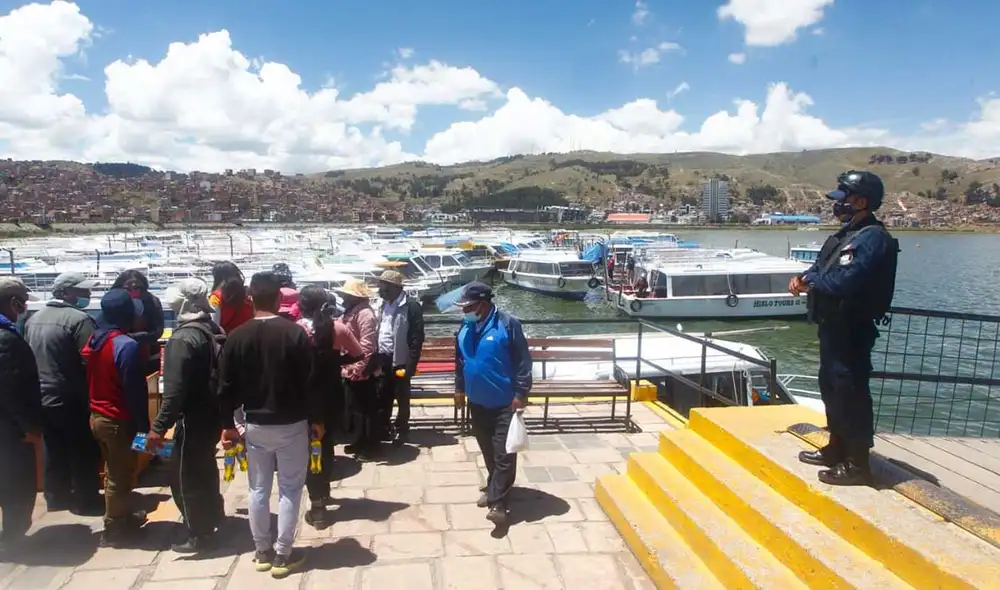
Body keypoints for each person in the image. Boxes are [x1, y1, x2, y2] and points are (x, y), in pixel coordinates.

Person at [789, 170, 899, 486]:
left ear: (861, 201)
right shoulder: (844, 235)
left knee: (851, 393)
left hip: (853, 328)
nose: (837, 205)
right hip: (833, 325)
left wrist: (810, 283)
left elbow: (845, 281)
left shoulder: (872, 238)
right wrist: (805, 278)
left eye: (843, 198)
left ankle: (857, 463)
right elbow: (821, 267)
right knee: (831, 388)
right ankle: (836, 447)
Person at [218, 272, 323, 579]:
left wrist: (226, 425)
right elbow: (311, 382)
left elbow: (224, 387)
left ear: (250, 300)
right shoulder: (295, 334)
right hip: (292, 423)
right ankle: (283, 554)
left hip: (255, 425)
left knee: (258, 489)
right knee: (290, 489)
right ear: (279, 299)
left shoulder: (236, 337)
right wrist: (317, 420)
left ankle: (262, 550)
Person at [147, 279, 225, 553]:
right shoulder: (212, 329)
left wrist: (158, 427)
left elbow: (175, 391)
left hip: (192, 416)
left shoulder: (182, 338)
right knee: (205, 468)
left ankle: (199, 532)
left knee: (185, 477)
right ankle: (214, 514)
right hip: (213, 413)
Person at [453, 282, 532, 527]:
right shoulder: (464, 327)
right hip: (477, 401)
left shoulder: (508, 325)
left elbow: (523, 362)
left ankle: (498, 503)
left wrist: (521, 392)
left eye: (468, 307)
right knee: (487, 449)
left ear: (483, 305)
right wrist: (458, 388)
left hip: (504, 403)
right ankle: (494, 484)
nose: (464, 311)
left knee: (504, 453)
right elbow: (460, 361)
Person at [23, 272, 103, 515]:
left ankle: (55, 498)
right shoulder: (79, 320)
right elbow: (91, 360)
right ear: (65, 293)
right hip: (71, 396)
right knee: (82, 450)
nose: (87, 295)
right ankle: (87, 501)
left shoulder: (33, 319)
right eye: (82, 292)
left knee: (53, 448)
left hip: (41, 395)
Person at [83, 289, 149, 547]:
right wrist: (143, 427)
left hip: (97, 415)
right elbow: (134, 391)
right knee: (121, 476)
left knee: (113, 471)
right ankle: (114, 530)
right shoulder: (126, 346)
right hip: (118, 419)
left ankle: (121, 517)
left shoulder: (94, 340)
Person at [296, 285, 363, 527]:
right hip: (331, 395)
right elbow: (358, 354)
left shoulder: (297, 330)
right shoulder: (339, 328)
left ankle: (317, 503)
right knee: (326, 445)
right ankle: (322, 493)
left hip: (303, 397)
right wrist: (335, 361)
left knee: (310, 449)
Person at [0, 278, 42, 553]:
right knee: (16, 486)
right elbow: (10, 388)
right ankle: (13, 542)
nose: (25, 308)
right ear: (14, 303)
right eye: (23, 303)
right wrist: (28, 427)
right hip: (9, 431)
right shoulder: (6, 339)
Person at [374, 270, 424, 446]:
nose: (380, 289)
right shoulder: (383, 305)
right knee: (383, 395)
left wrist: (411, 365)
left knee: (402, 397)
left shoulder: (411, 306)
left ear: (394, 287)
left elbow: (417, 338)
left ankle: (403, 428)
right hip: (383, 358)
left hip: (400, 360)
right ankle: (384, 428)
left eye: (383, 286)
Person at [336, 279, 378, 460]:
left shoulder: (365, 315)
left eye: (345, 295)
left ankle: (370, 445)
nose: (343, 298)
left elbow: (367, 345)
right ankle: (360, 440)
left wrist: (359, 368)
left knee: (366, 409)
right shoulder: (351, 312)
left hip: (362, 370)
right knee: (355, 407)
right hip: (350, 367)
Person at [111, 270, 165, 375]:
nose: (133, 292)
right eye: (127, 289)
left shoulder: (152, 301)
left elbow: (158, 331)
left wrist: (132, 337)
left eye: (137, 288)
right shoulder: (115, 302)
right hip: (121, 351)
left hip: (148, 352)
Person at [209, 261, 254, 334]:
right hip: (249, 338)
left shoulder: (216, 298)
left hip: (228, 341)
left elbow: (215, 326)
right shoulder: (248, 294)